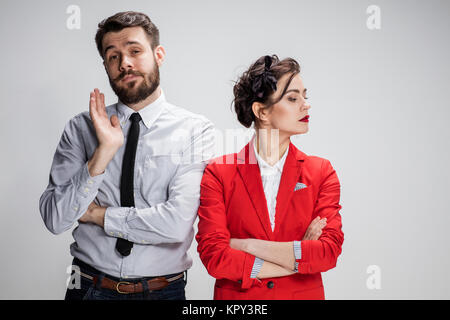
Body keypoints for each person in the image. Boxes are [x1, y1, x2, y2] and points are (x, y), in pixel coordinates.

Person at [39, 11, 215, 300]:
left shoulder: (195, 130)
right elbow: (55, 218)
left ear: (158, 54)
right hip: (88, 287)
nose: (125, 64)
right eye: (113, 56)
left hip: (163, 291)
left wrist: (99, 215)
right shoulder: (81, 127)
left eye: (135, 51)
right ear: (105, 65)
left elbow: (176, 224)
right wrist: (102, 154)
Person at [196, 55, 344, 300]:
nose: (306, 105)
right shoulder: (218, 173)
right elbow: (215, 257)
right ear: (261, 111)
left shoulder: (321, 172)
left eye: (305, 97)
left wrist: (246, 245)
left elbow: (327, 252)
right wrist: (299, 258)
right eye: (293, 98)